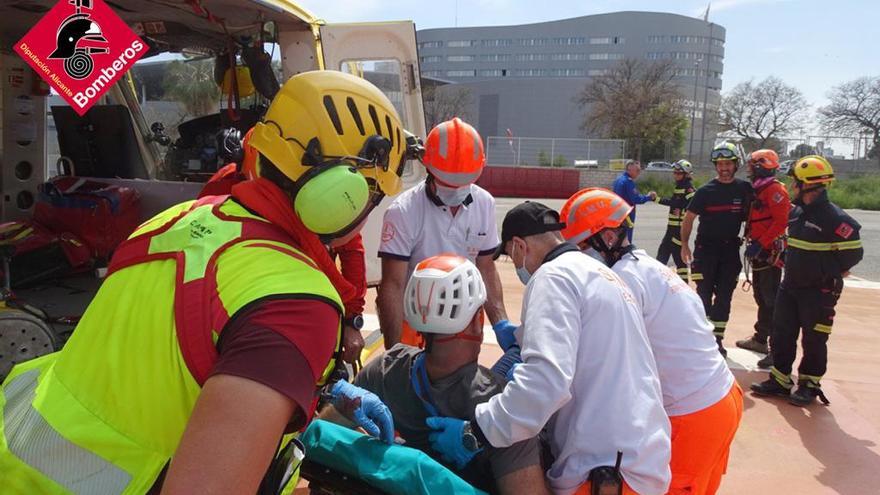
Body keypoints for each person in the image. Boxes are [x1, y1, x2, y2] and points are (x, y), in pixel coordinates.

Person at [0, 71, 406, 494]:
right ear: (343, 197)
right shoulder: (297, 304)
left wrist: (295, 376)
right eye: (371, 197)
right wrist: (288, 354)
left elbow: (165, 351)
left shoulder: (175, 221)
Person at [427, 202, 671, 495]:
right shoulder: (599, 271)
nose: (517, 265)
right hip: (638, 457)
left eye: (511, 257)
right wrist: (523, 338)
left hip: (602, 472)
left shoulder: (551, 277)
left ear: (518, 246)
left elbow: (546, 382)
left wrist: (476, 432)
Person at [560, 188, 743, 495]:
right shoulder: (650, 268)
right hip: (721, 398)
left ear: (607, 239)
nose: (578, 258)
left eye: (580, 247)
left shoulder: (620, 280)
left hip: (691, 415)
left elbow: (602, 360)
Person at [323, 255, 549, 494]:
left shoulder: (384, 370)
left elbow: (322, 434)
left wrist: (342, 405)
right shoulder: (505, 408)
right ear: (477, 321)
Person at [198, 127, 369, 365]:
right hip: (232, 297)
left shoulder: (313, 195)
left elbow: (352, 251)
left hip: (304, 299)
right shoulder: (224, 183)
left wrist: (352, 318)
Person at [377, 117, 510, 350]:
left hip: (466, 325)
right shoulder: (404, 211)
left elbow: (486, 267)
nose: (457, 189)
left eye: (464, 182)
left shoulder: (484, 204)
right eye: (448, 182)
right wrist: (394, 351)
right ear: (428, 168)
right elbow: (393, 284)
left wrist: (501, 323)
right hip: (416, 325)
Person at [751, 156, 863, 406]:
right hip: (789, 287)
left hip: (819, 291)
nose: (792, 187)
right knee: (782, 333)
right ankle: (780, 381)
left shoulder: (837, 220)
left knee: (813, 340)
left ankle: (809, 386)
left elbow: (854, 253)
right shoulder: (797, 212)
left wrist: (832, 271)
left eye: (796, 183)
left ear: (809, 186)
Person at [680, 142, 754, 356]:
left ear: (735, 164)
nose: (723, 168)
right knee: (702, 295)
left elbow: (753, 215)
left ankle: (717, 340)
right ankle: (703, 338)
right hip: (705, 250)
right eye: (719, 164)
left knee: (724, 298)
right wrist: (685, 245)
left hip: (730, 250)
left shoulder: (744, 189)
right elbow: (688, 219)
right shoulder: (705, 192)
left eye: (728, 164)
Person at [735, 150, 791, 356]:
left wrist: (761, 243)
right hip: (760, 249)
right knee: (761, 296)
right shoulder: (759, 189)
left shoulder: (775, 190)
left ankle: (776, 349)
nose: (749, 169)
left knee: (771, 299)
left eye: (752, 165)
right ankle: (760, 338)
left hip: (769, 252)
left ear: (761, 166)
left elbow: (781, 222)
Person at [655, 159, 696, 280]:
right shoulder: (679, 187)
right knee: (661, 257)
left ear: (686, 174)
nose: (676, 175)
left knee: (679, 260)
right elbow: (673, 203)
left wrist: (682, 212)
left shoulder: (689, 189)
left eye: (679, 173)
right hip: (671, 229)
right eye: (675, 172)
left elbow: (693, 206)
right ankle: (657, 283)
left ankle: (684, 286)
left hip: (679, 230)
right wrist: (656, 199)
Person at [612, 159, 657, 242]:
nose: (639, 173)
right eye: (637, 170)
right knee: (626, 240)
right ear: (630, 169)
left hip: (617, 214)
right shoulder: (628, 182)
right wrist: (649, 197)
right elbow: (636, 199)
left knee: (617, 239)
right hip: (626, 215)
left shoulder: (618, 180)